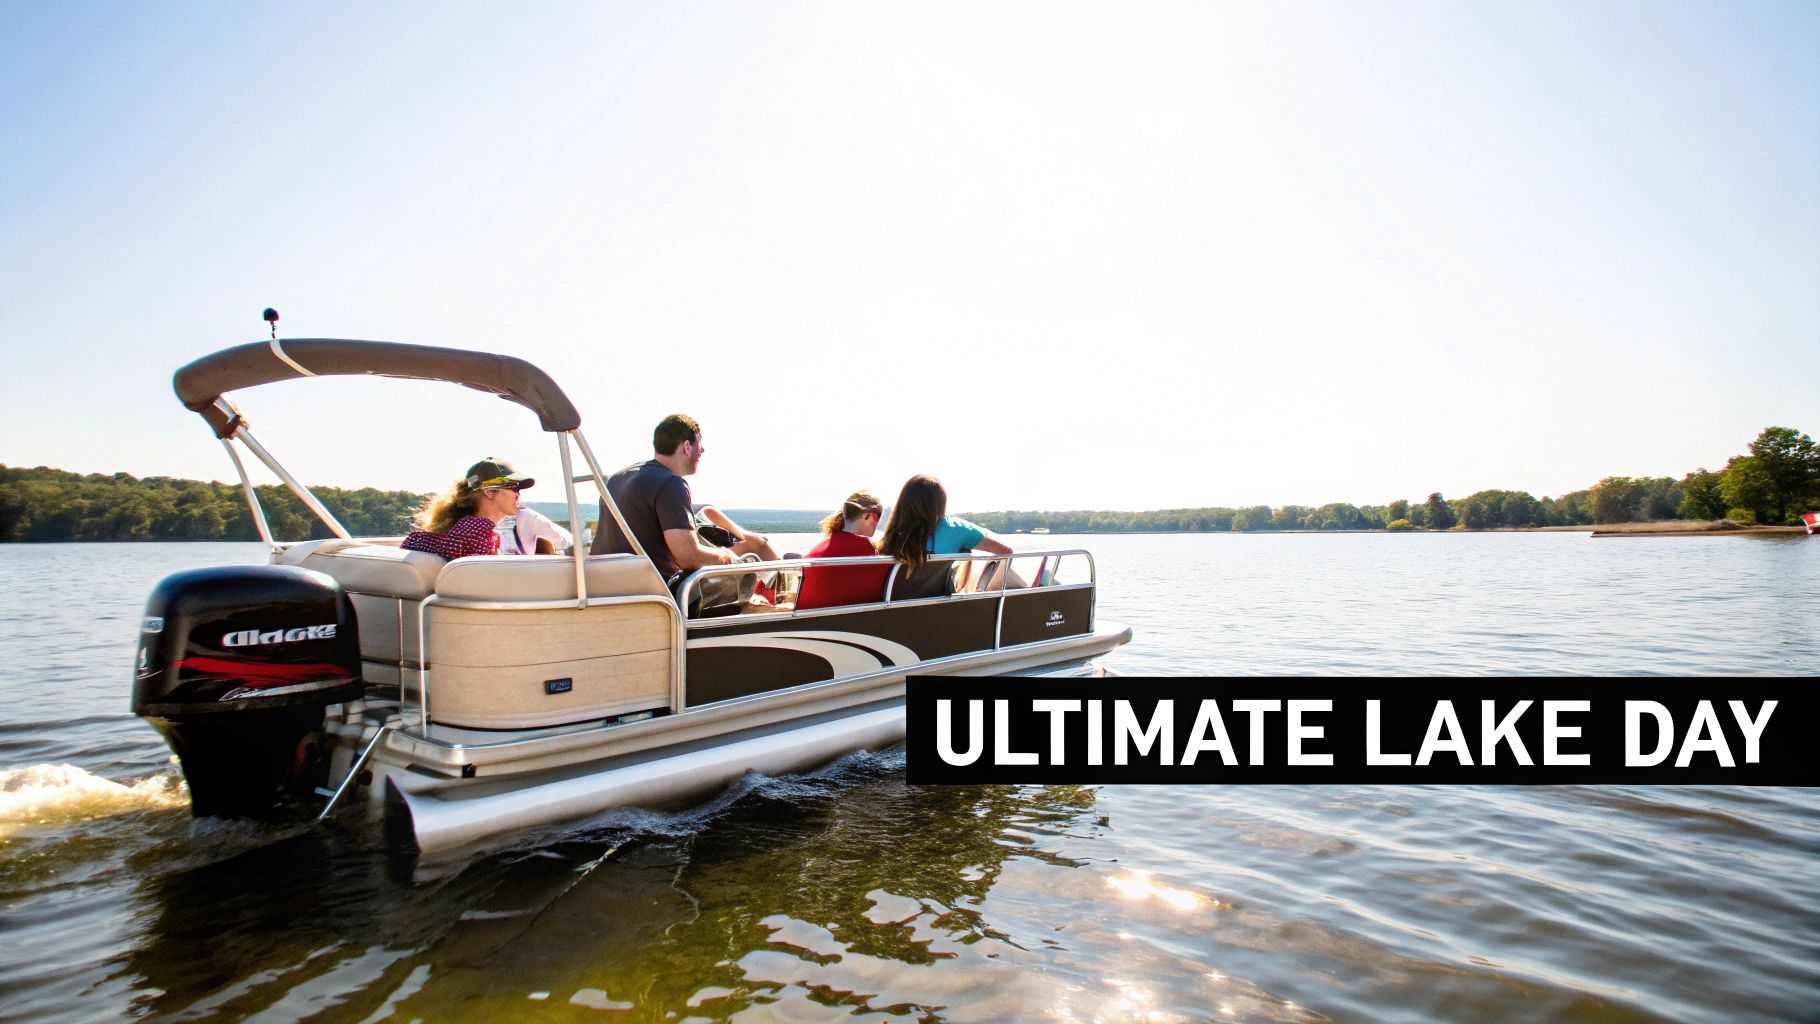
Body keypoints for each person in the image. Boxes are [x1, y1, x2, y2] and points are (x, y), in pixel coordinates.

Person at [590, 414, 777, 583]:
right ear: (687, 447)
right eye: (699, 443)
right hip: (657, 592)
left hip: (609, 585)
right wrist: (726, 556)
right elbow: (687, 556)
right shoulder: (670, 483)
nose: (702, 450)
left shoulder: (618, 478)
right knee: (748, 565)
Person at [876, 474, 1013, 597]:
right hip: (940, 612)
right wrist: (981, 531)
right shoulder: (954, 528)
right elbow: (1006, 550)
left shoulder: (889, 538)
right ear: (940, 503)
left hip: (891, 614)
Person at [401, 458, 531, 559]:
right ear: (490, 492)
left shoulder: (462, 528)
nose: (518, 493)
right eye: (514, 487)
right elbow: (483, 582)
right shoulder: (478, 529)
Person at [796, 490, 889, 610]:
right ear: (869, 516)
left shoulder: (819, 547)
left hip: (809, 617)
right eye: (878, 517)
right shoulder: (865, 550)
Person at [496, 503, 572, 555]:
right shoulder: (526, 517)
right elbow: (569, 542)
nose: (517, 493)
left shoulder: (526, 516)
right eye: (511, 488)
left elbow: (568, 543)